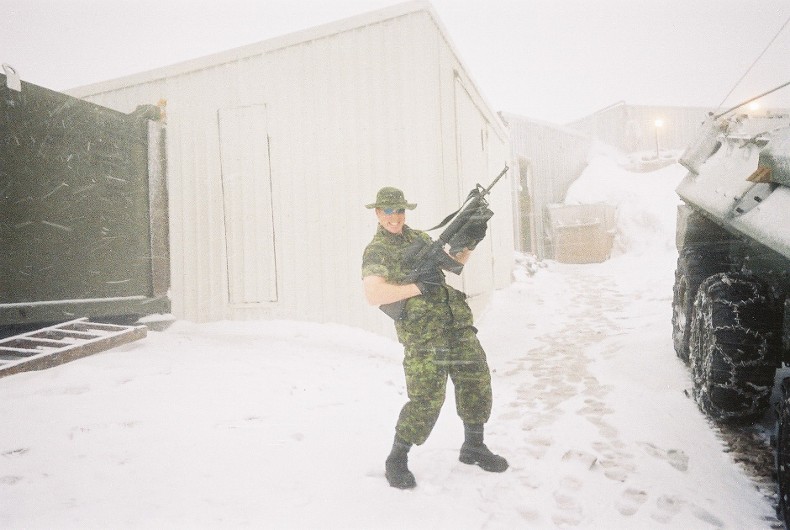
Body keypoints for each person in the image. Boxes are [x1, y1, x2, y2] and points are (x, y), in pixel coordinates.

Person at [361, 186, 508, 489]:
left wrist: (472, 238)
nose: (395, 217)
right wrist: (418, 288)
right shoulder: (377, 250)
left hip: (455, 322)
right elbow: (374, 294)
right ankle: (397, 459)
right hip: (423, 333)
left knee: (476, 381)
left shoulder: (421, 239)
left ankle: (474, 447)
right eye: (388, 211)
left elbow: (454, 263)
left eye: (399, 210)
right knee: (426, 398)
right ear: (378, 213)